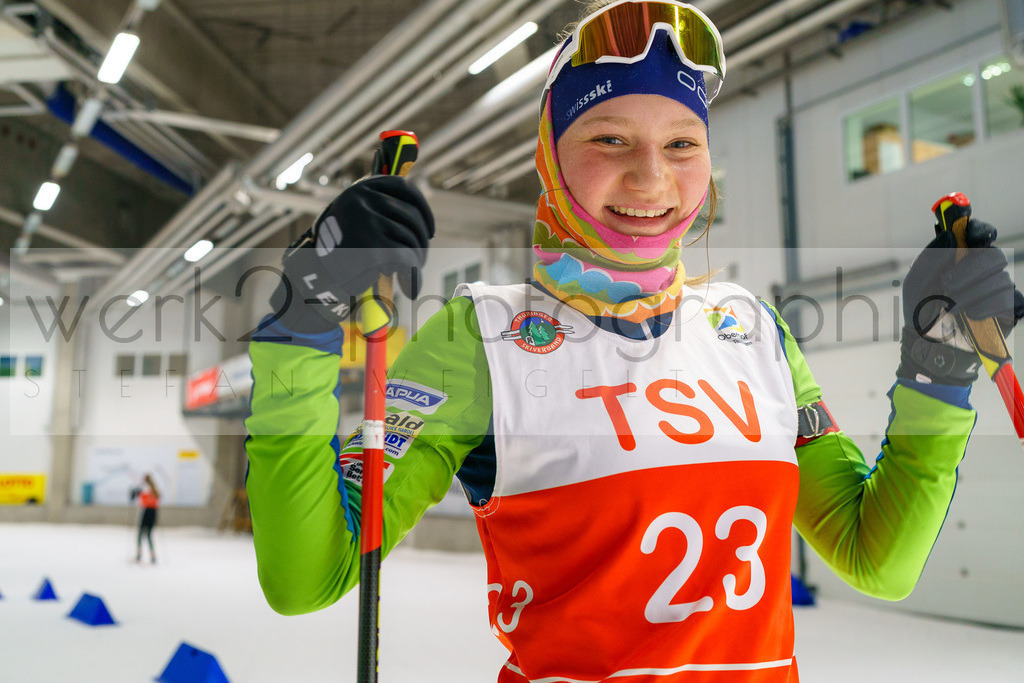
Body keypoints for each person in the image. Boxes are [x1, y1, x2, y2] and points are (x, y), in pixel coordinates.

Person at [244, 1, 1023, 680]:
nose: (653, 178)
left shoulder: (751, 329)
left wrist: (941, 363)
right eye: (611, 139)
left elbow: (876, 558)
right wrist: (305, 312)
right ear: (549, 159)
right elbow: (308, 574)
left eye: (682, 143)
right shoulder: (480, 336)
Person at [131, 473, 160, 564]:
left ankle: (141, 554)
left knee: (142, 534)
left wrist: (136, 493)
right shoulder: (152, 489)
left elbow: (144, 499)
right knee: (147, 534)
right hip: (152, 512)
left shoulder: (147, 489)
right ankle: (151, 555)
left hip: (147, 512)